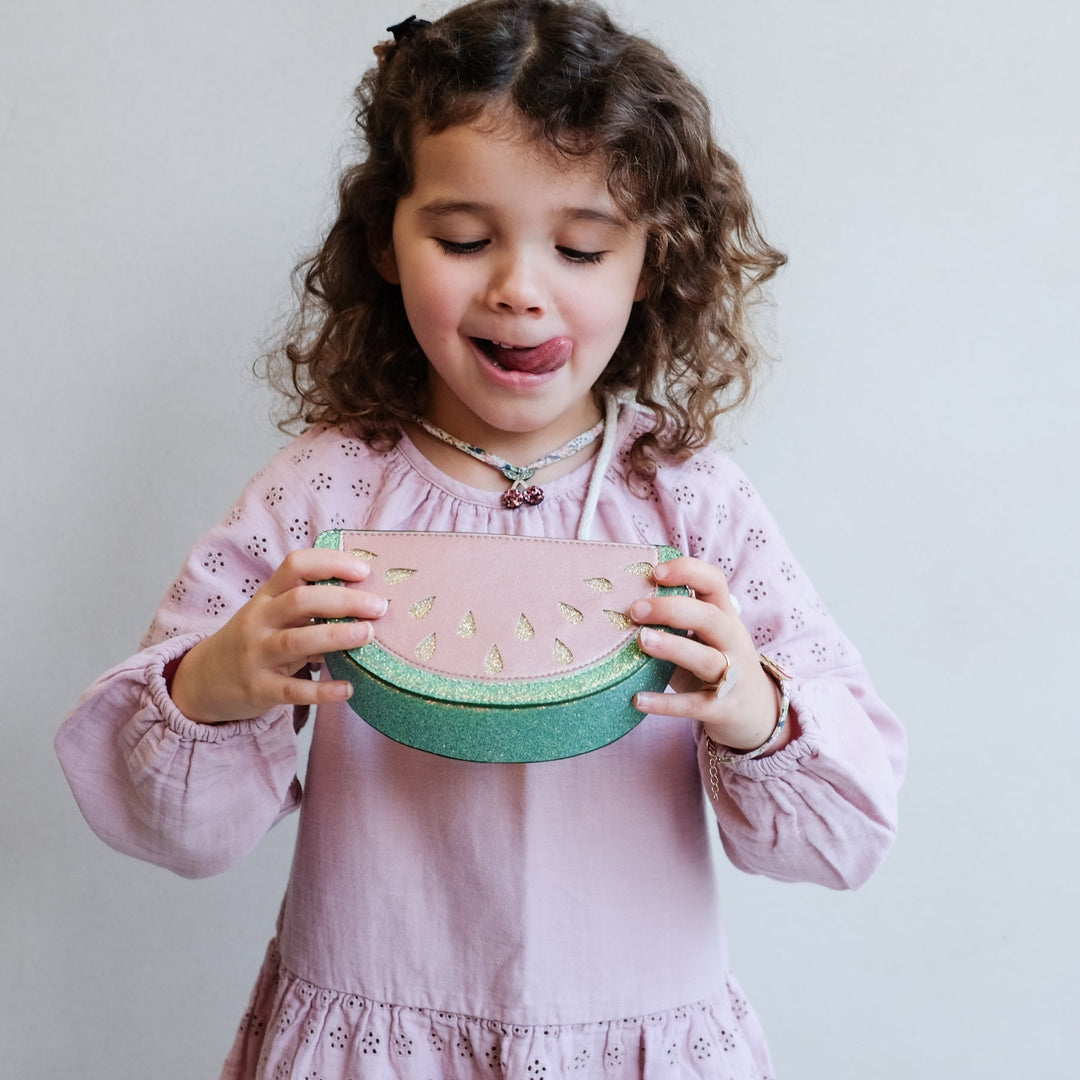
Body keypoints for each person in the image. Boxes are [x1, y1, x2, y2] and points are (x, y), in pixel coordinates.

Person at [56, 2, 906, 1077]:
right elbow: (169, 830)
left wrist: (753, 706)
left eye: (583, 245)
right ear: (385, 241)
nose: (518, 285)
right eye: (463, 239)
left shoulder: (692, 504)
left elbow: (845, 838)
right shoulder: (325, 490)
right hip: (373, 1041)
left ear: (653, 260)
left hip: (636, 1039)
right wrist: (220, 680)